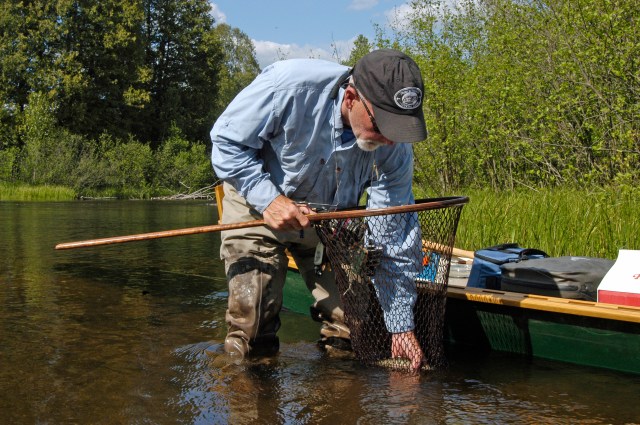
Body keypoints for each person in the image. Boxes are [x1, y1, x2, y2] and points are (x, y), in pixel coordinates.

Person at [210, 49, 427, 371]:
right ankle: (248, 397)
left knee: (352, 324)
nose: (391, 140)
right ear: (351, 97)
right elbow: (227, 143)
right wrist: (269, 199)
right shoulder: (286, 86)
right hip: (255, 204)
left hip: (333, 220)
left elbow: (390, 240)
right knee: (252, 320)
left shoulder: (395, 147)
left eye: (399, 128)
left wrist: (400, 327)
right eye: (382, 124)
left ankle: (336, 400)